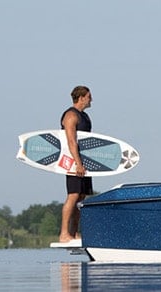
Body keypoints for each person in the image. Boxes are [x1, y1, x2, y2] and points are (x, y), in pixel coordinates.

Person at [59, 85, 93, 243]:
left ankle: (73, 232)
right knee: (73, 195)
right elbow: (71, 141)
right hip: (73, 163)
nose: (91, 99)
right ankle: (64, 233)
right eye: (89, 96)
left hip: (84, 163)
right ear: (81, 98)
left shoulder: (84, 116)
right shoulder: (70, 116)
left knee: (81, 197)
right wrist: (78, 164)